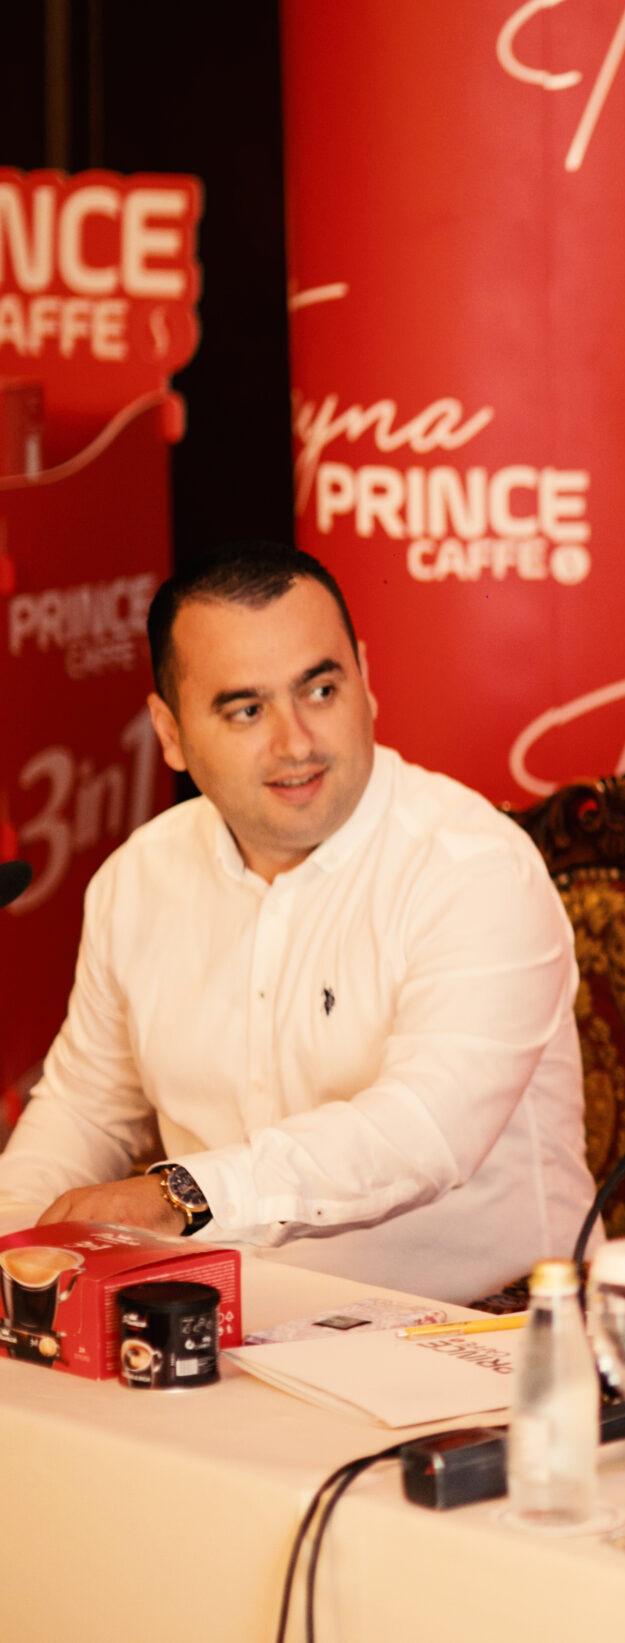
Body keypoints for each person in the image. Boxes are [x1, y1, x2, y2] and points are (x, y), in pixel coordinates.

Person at [0, 543, 592, 1304]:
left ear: (365, 682)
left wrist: (183, 1194)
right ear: (170, 733)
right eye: (247, 710)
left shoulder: (474, 868)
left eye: (320, 689)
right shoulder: (139, 877)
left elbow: (422, 1130)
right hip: (223, 1326)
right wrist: (12, 1237)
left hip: (487, 1332)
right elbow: (86, 1108)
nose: (297, 741)